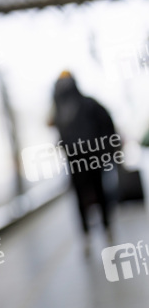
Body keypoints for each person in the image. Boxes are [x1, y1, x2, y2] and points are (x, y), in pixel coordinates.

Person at [49, 71, 117, 254]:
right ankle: (99, 230)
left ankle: (95, 231)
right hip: (84, 158)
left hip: (84, 158)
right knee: (92, 193)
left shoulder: (68, 108)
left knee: (88, 195)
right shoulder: (78, 105)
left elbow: (106, 126)